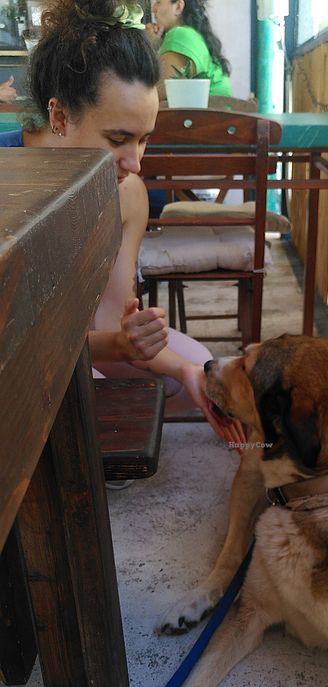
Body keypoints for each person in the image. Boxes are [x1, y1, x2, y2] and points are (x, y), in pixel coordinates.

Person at [0, 0, 243, 445]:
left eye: (144, 139)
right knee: (79, 399)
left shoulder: (126, 191)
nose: (134, 162)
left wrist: (152, 354)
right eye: (117, 139)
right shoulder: (6, 175)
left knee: (189, 372)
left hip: (67, 350)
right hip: (13, 361)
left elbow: (109, 317)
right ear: (59, 117)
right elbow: (20, 349)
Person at [147, 0, 232, 99]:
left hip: (207, 113)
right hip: (217, 112)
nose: (153, 9)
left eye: (159, 2)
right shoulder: (194, 35)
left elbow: (159, 95)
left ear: (178, 7)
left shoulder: (179, 35)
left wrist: (147, 46)